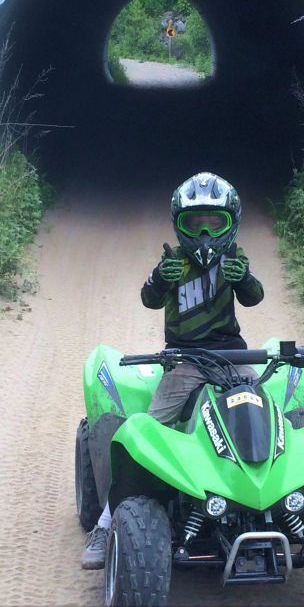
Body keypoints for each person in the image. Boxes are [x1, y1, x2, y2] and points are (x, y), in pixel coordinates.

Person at [82, 171, 265, 569]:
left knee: (264, 412)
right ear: (179, 224)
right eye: (194, 221)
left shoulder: (236, 258)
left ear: (230, 222)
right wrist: (158, 278)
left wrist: (245, 278)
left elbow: (253, 298)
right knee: (146, 431)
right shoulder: (173, 262)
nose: (203, 230)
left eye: (214, 221)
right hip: (184, 359)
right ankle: (106, 522)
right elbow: (149, 299)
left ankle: (268, 500)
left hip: (234, 357)